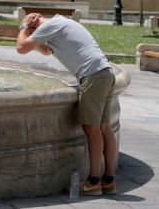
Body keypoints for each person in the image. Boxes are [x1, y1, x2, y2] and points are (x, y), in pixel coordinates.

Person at [16, 13, 117, 196]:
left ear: (34, 23)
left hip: (92, 76)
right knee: (104, 129)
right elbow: (46, 51)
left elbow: (21, 48)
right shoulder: (60, 24)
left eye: (32, 31)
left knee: (92, 130)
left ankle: (94, 182)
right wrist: (35, 38)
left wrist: (23, 27)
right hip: (105, 73)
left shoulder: (49, 25)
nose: (31, 35)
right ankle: (109, 180)